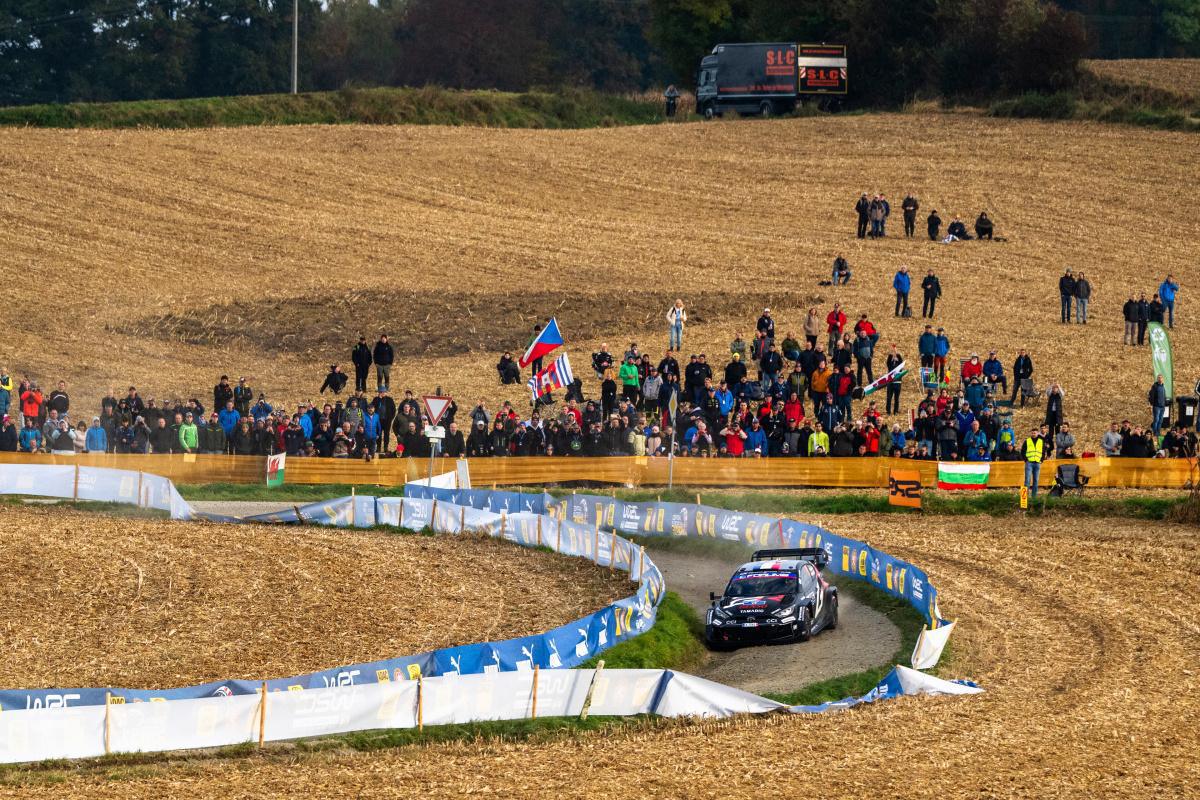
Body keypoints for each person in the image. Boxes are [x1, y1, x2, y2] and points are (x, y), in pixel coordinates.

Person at [1023, 426, 1045, 499]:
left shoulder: (1041, 441)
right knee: (1027, 481)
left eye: (1035, 433)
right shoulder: (1027, 441)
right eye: (1032, 433)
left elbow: (1043, 451)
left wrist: (1041, 460)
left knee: (1036, 481)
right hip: (1029, 463)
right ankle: (1025, 497)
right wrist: (1026, 459)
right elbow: (1023, 451)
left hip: (1037, 463)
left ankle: (1034, 498)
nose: (1033, 434)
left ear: (1037, 433)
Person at [885, 345, 904, 415]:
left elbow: (901, 359)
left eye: (895, 357)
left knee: (896, 398)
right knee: (889, 398)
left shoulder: (900, 366)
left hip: (898, 383)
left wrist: (896, 352)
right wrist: (891, 351)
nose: (894, 357)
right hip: (890, 383)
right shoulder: (889, 364)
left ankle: (895, 411)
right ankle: (888, 411)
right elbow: (888, 359)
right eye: (894, 356)